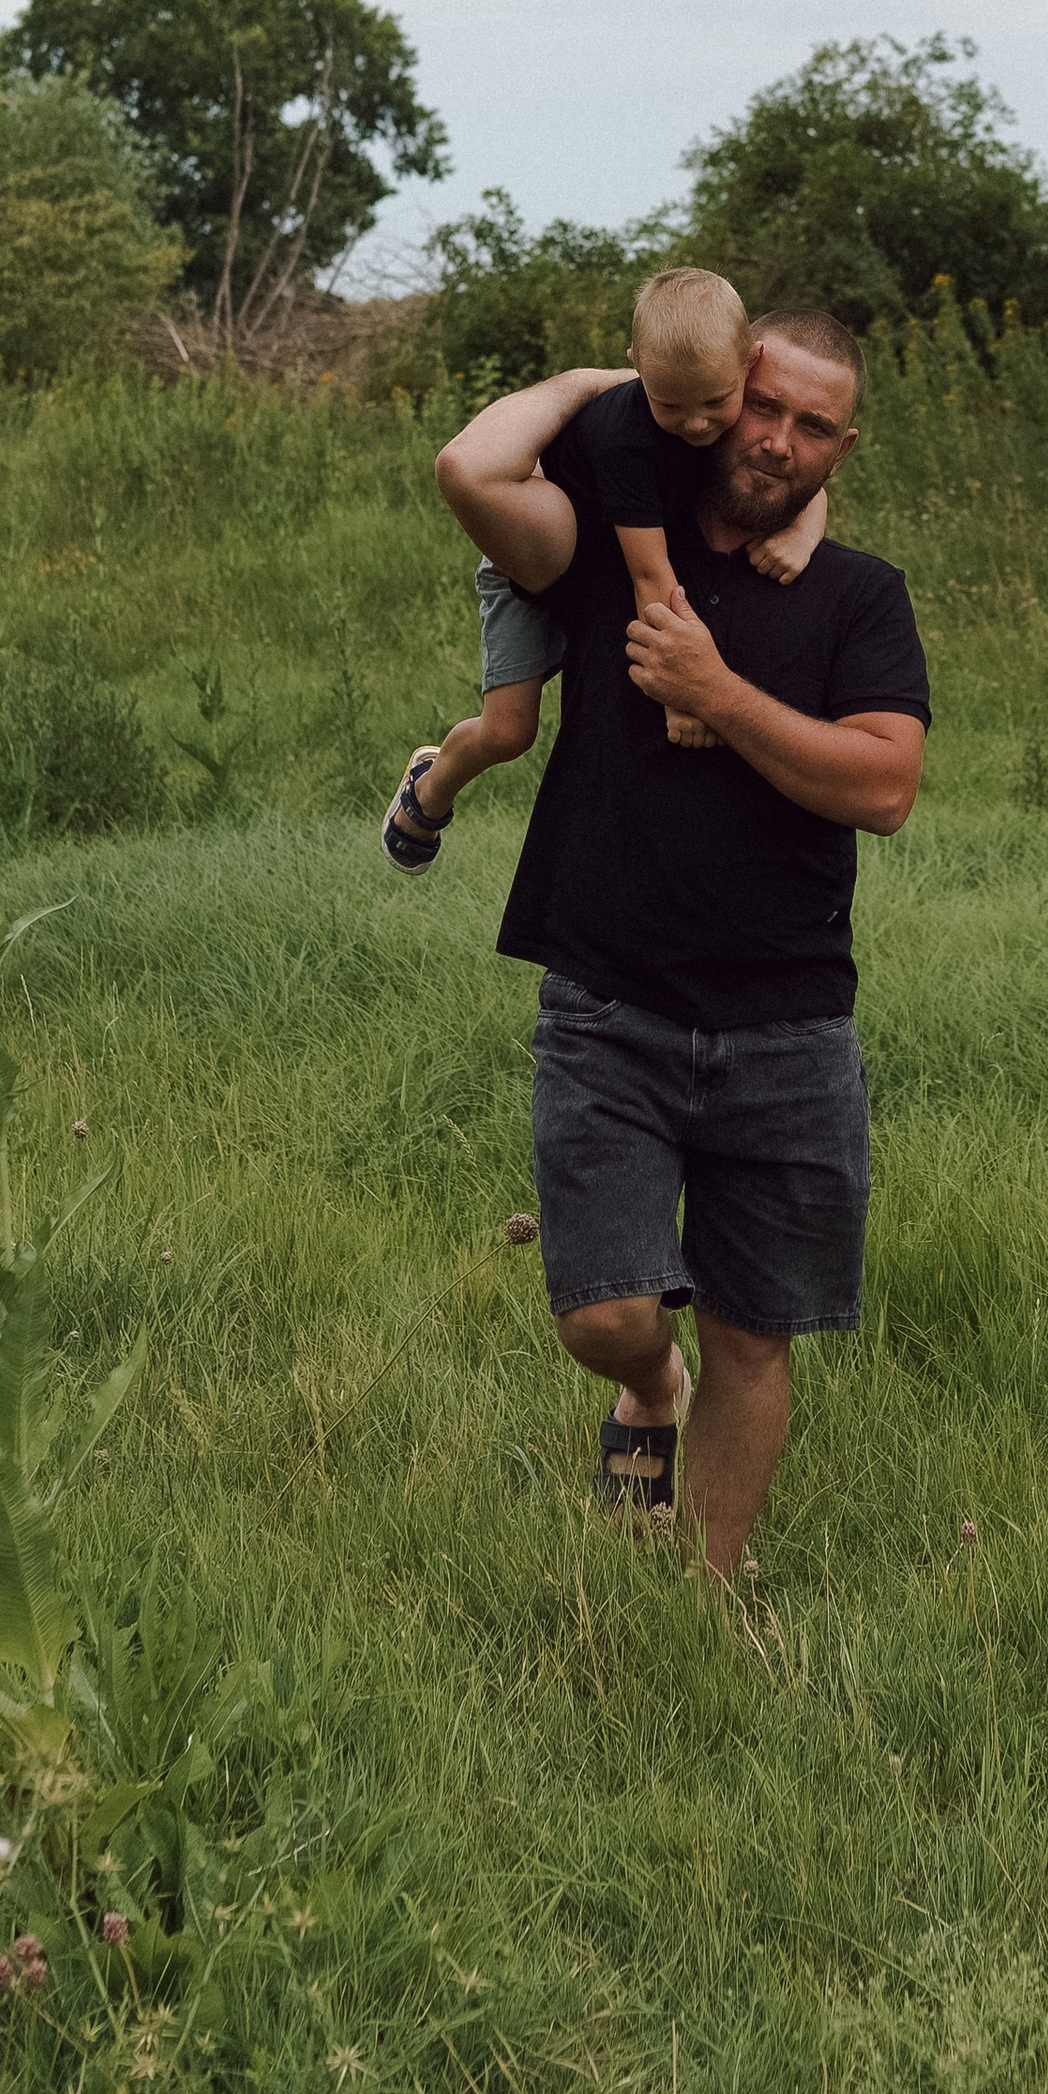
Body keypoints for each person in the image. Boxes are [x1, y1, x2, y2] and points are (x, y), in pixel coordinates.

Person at [431, 314, 929, 1575]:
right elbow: (472, 470)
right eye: (762, 404)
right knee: (603, 1313)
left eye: (814, 425)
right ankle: (650, 1386)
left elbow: (883, 785)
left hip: (789, 1020)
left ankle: (705, 1599)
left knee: (758, 1330)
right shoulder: (600, 548)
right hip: (610, 997)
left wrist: (717, 694)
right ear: (712, 395)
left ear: (843, 447)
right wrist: (597, 380)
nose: (776, 439)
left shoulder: (859, 595)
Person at [382, 266, 826, 872]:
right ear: (636, 367)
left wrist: (803, 530)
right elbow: (651, 575)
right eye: (669, 404)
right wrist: (683, 693)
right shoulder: (627, 434)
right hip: (539, 567)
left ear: (749, 363)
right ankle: (430, 785)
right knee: (510, 733)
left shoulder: (733, 407)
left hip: (609, 564)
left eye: (714, 403)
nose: (697, 424)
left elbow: (793, 478)